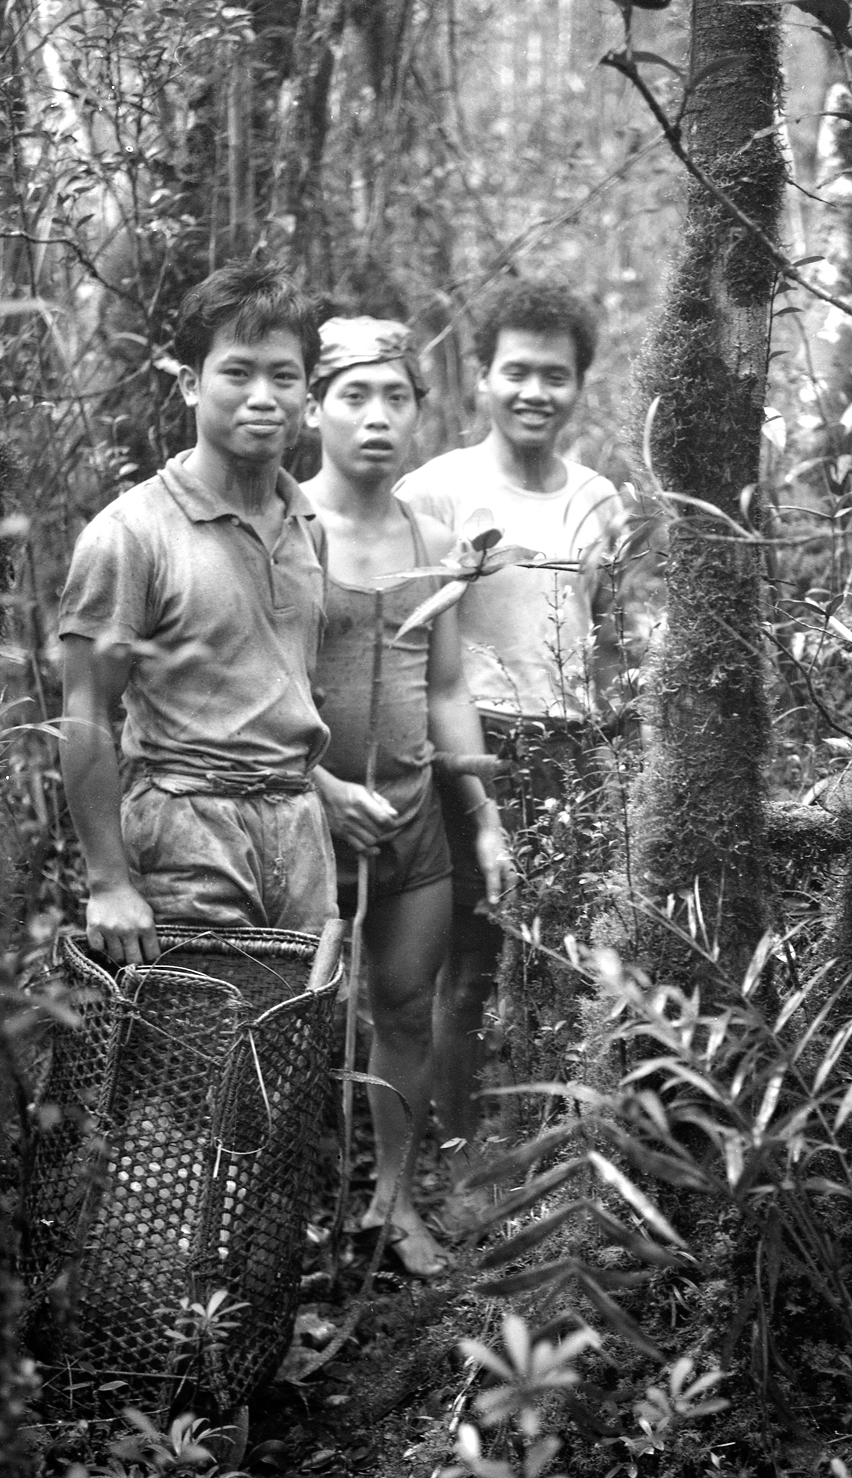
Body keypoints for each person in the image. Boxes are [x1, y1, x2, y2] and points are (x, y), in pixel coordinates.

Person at [395, 279, 632, 1159]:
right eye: (517, 373)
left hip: (568, 746)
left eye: (556, 376)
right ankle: (460, 1163)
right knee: (467, 969)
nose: (536, 393)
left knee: (557, 960)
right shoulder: (438, 490)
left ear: (579, 386)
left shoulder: (600, 500)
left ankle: (540, 1152)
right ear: (482, 382)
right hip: (468, 746)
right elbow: (413, 641)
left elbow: (602, 633)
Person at [304, 316, 512, 1278]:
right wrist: (320, 784)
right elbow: (241, 697)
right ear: (313, 407)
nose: (377, 418)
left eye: (396, 397)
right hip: (301, 821)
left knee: (402, 1005)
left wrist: (484, 818)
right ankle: (281, 1210)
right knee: (293, 1014)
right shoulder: (281, 527)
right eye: (354, 396)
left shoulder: (434, 536)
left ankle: (391, 1198)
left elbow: (445, 687)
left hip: (414, 819)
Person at [58, 261, 333, 964]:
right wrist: (109, 881)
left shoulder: (309, 527)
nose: (263, 396)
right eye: (237, 372)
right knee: (192, 1054)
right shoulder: (131, 533)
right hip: (185, 826)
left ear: (308, 393)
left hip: (299, 831)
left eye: (284, 375)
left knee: (292, 1055)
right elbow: (86, 708)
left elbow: (285, 688)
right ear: (189, 383)